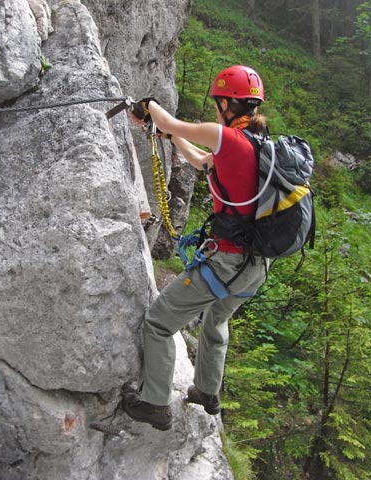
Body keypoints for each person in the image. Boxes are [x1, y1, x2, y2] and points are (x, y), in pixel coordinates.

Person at [122, 65, 269, 430]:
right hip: (256, 266)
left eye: (218, 101)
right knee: (217, 318)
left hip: (227, 263)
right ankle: (206, 391)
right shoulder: (255, 145)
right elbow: (203, 163)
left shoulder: (226, 137)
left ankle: (154, 403)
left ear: (225, 103)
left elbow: (171, 121)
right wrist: (169, 139)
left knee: (158, 323)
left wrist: (148, 106)